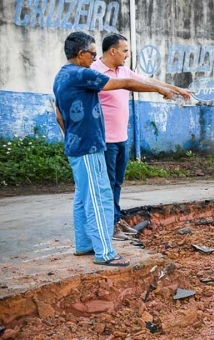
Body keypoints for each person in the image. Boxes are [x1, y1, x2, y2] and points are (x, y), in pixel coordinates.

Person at [53, 32, 174, 266]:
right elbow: (126, 83)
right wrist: (160, 90)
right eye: (92, 54)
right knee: (100, 198)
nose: (94, 58)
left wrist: (72, 137)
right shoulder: (82, 74)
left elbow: (59, 114)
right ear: (80, 54)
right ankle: (105, 252)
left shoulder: (62, 75)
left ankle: (85, 245)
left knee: (83, 196)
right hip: (88, 146)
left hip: (77, 145)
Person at [91, 34, 193, 241]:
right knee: (107, 183)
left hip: (121, 138)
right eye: (125, 51)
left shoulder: (123, 70)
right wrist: (160, 90)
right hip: (104, 140)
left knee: (117, 182)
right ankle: (107, 226)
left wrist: (176, 89)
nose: (127, 55)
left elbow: (147, 80)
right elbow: (130, 84)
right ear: (113, 51)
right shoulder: (95, 71)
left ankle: (115, 220)